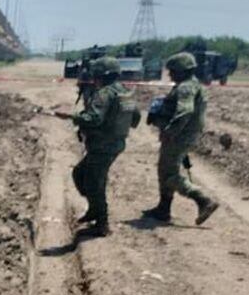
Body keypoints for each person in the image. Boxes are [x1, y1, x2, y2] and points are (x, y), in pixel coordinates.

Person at [54, 56, 141, 237]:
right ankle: (94, 210)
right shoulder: (125, 92)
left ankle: (102, 223)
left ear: (100, 75)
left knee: (94, 183)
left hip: (102, 145)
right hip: (115, 143)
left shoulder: (104, 93)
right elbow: (136, 118)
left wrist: (72, 116)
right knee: (80, 173)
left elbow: (93, 119)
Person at [142, 52, 220, 224]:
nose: (170, 74)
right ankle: (163, 208)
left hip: (179, 136)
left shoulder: (185, 87)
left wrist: (170, 131)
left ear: (182, 71)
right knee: (165, 169)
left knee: (170, 173)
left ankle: (203, 200)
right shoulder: (192, 85)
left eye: (173, 71)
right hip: (183, 134)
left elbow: (185, 111)